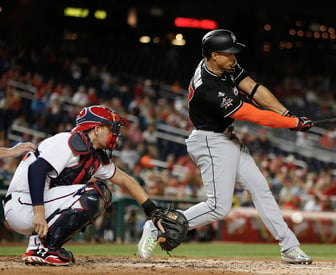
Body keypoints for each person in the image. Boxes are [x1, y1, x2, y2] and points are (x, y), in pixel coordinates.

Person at [138, 29, 313, 264]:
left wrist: (286, 114)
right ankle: (157, 225)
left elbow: (254, 89)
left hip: (227, 138)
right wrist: (291, 123)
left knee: (261, 189)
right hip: (210, 141)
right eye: (228, 53)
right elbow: (251, 114)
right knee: (219, 207)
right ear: (213, 56)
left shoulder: (224, 67)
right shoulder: (208, 87)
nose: (234, 57)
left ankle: (289, 247)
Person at [3, 105, 164, 266]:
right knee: (95, 193)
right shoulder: (66, 140)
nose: (115, 134)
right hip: (22, 203)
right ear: (97, 129)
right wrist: (39, 213)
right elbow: (36, 170)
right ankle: (41, 248)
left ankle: (45, 246)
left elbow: (125, 180)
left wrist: (152, 210)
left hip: (34, 204)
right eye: (111, 128)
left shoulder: (93, 155)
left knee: (102, 193)